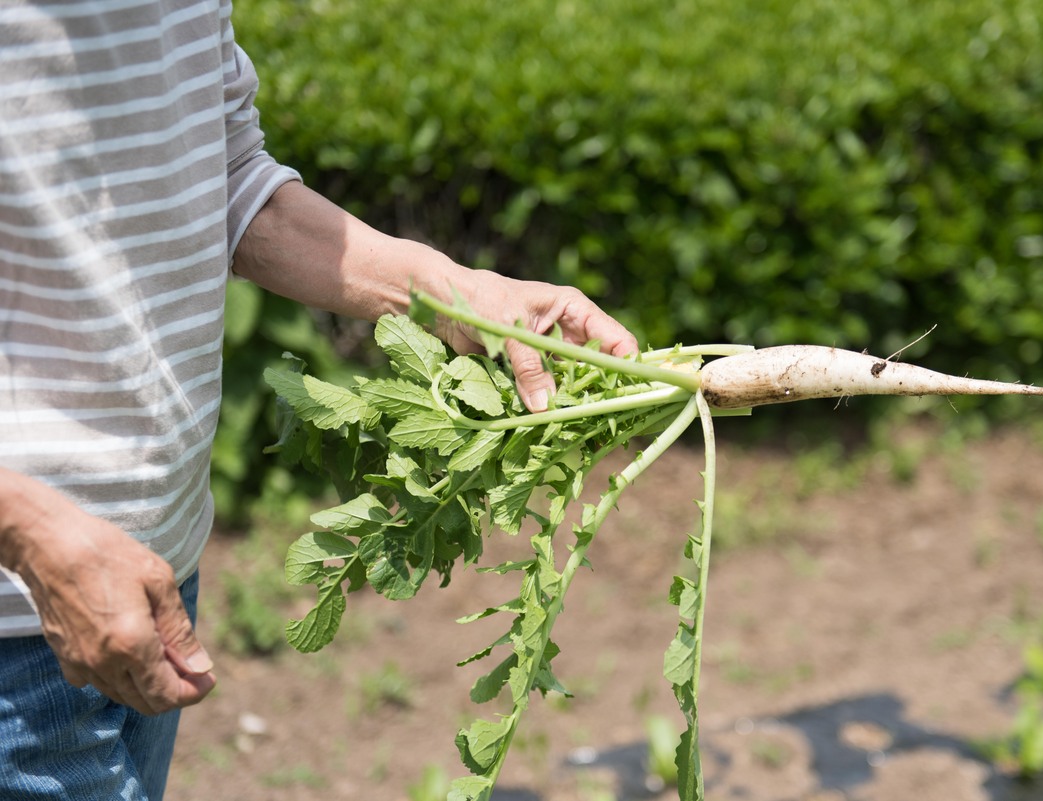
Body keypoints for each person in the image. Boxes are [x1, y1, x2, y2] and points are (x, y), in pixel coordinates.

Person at [0, 2, 638, 799]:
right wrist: (33, 532)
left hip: (147, 572)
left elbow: (227, 178)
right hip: (21, 616)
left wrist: (461, 295)